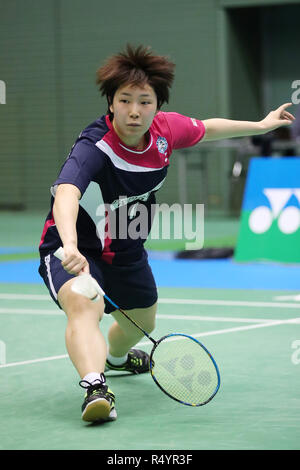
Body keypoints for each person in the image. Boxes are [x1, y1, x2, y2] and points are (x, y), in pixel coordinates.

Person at [38, 44, 295, 424]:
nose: (134, 110)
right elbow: (66, 194)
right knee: (84, 301)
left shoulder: (164, 131)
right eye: (125, 100)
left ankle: (117, 359)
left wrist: (260, 126)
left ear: (157, 105)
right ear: (111, 103)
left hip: (126, 247)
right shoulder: (94, 148)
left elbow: (207, 128)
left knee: (142, 319)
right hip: (75, 248)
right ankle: (96, 388)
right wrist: (72, 246)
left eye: (145, 101)